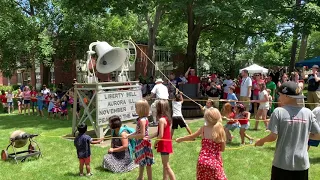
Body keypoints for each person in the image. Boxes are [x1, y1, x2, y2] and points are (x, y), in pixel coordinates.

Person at [255, 81, 320, 180]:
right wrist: (304, 134)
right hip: (302, 165)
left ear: (287, 96)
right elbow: (318, 135)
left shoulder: (278, 112)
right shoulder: (308, 113)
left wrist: (261, 141)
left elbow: (273, 136)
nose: (279, 98)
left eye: (280, 95)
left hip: (282, 164)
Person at [176, 108, 227, 180]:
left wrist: (180, 139)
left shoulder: (203, 128)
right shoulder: (220, 130)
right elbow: (222, 149)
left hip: (202, 162)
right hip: (214, 163)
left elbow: (191, 136)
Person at [127, 100, 154, 180]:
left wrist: (132, 137)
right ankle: (140, 177)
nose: (135, 109)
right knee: (141, 162)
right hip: (140, 142)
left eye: (136, 108)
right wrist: (129, 135)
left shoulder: (142, 120)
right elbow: (137, 132)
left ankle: (149, 178)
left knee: (147, 163)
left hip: (143, 143)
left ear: (141, 109)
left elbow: (142, 135)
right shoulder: (141, 119)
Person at [149, 100, 176, 180]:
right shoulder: (167, 118)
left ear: (159, 109)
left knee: (166, 166)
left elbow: (160, 135)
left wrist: (155, 143)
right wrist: (149, 137)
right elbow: (159, 132)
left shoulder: (161, 120)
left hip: (164, 144)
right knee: (165, 165)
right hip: (167, 143)